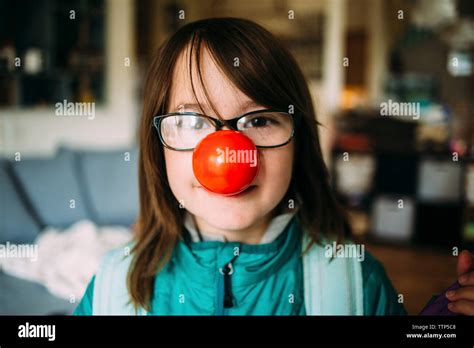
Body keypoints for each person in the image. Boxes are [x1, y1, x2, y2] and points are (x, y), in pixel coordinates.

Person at [74, 17, 474, 316]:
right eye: (193, 122)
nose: (227, 151)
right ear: (157, 145)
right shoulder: (111, 288)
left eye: (259, 120)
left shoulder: (356, 283)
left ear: (297, 139)